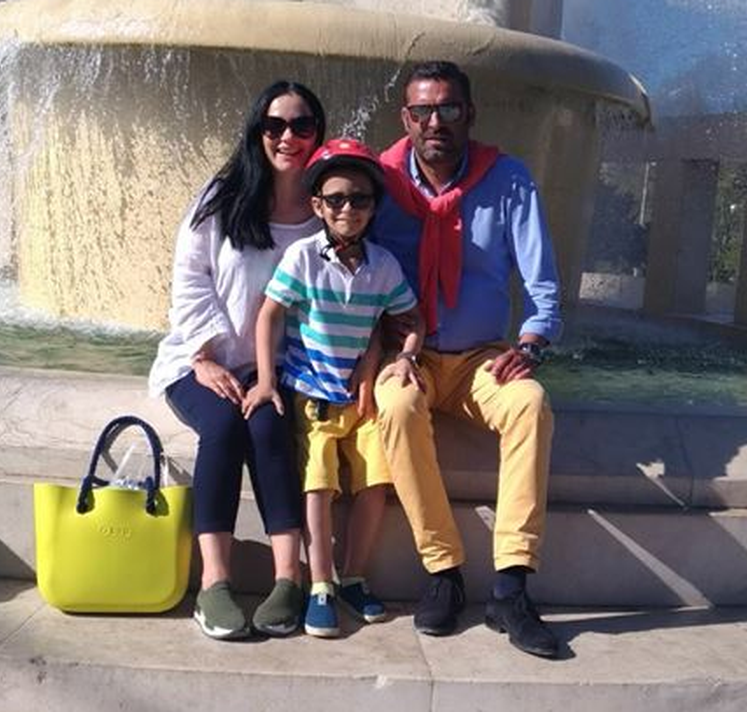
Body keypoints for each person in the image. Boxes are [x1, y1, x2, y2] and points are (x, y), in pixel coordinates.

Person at [371, 60, 562, 658]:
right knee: (395, 407)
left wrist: (530, 344)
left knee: (530, 404)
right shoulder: (380, 180)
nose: (436, 122)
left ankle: (511, 586)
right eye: (422, 111)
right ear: (406, 118)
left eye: (448, 109)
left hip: (483, 357)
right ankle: (443, 572)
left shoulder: (508, 179)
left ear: (469, 114)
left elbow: (542, 285)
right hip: (410, 355)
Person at [147, 80, 327, 640]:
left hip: (278, 368)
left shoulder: (328, 207)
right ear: (257, 131)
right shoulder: (223, 196)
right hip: (200, 360)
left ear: (317, 132)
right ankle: (214, 584)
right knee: (224, 424)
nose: (288, 137)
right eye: (275, 125)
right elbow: (189, 277)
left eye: (301, 125)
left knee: (269, 428)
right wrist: (203, 355)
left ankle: (288, 580)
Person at [245, 137, 424, 638]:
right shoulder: (303, 257)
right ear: (317, 205)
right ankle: (320, 582)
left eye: (360, 199)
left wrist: (404, 356)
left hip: (361, 401)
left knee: (375, 481)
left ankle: (354, 575)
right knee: (319, 483)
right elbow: (269, 314)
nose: (348, 208)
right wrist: (266, 381)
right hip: (313, 394)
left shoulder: (382, 265)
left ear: (374, 205)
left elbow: (411, 318)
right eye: (337, 199)